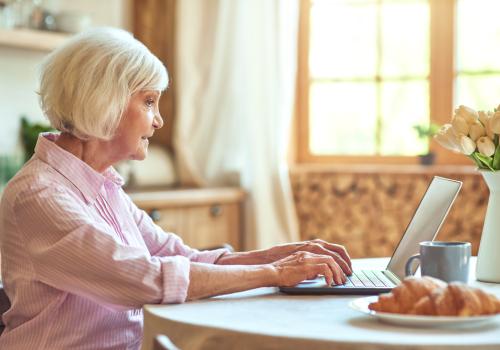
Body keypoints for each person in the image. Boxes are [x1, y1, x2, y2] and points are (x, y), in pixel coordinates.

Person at [0, 27, 352, 349]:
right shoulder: (39, 196)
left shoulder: (101, 185)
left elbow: (176, 256)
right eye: (149, 101)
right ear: (104, 101)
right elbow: (146, 279)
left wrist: (274, 255)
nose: (158, 120)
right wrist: (276, 273)